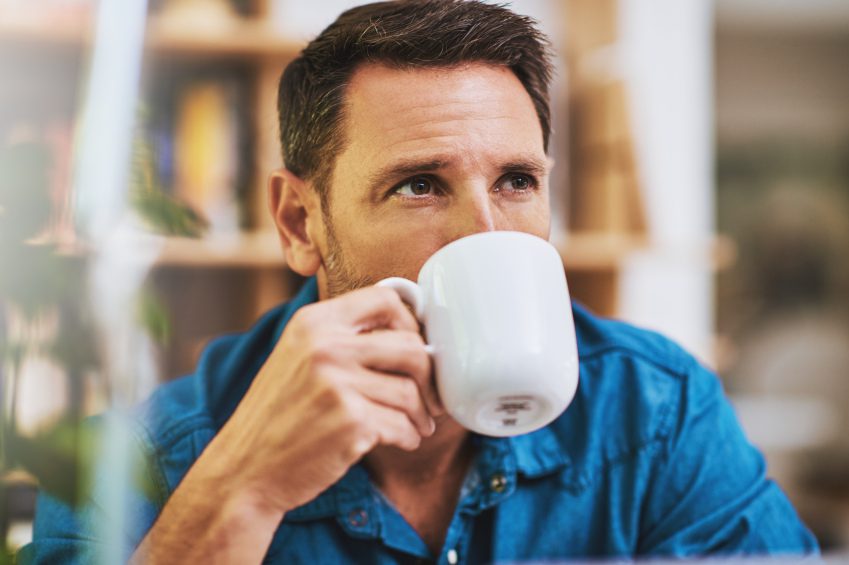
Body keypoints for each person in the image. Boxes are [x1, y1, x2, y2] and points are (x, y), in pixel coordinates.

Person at [23, 1, 818, 563]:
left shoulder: (656, 410)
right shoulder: (133, 459)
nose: (488, 231)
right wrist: (243, 488)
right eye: (419, 185)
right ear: (301, 223)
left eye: (515, 180)